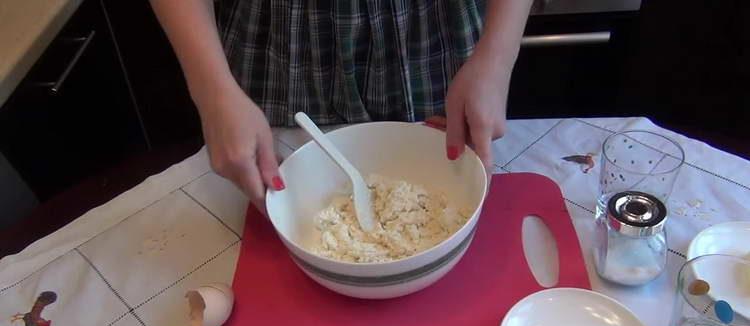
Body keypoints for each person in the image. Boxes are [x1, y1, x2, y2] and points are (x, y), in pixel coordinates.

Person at [150, 0, 532, 210]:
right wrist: (213, 92)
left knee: (449, 187)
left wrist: (496, 58)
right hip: (276, 47)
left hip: (433, 44)